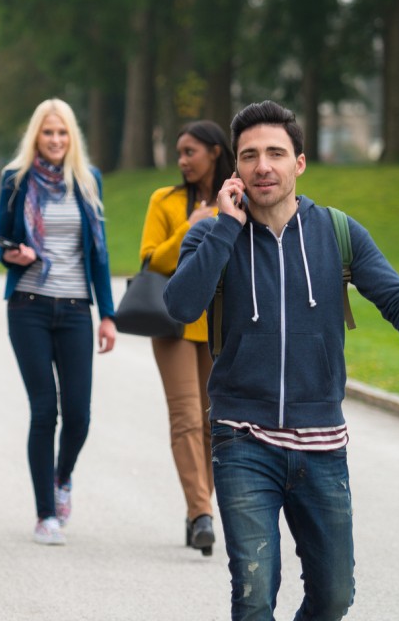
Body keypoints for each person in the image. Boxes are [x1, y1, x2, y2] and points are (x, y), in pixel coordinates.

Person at [165, 101, 399, 620]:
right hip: (242, 439)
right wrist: (226, 227)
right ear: (236, 169)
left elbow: (394, 295)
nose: (263, 166)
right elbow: (180, 305)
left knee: (334, 595)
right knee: (253, 596)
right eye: (250, 156)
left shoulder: (337, 233)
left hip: (322, 445)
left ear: (299, 162)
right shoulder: (210, 234)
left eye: (276, 153)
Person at [0, 98, 116, 546]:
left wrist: (108, 317)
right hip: (29, 305)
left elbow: (99, 255)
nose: (56, 140)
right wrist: (13, 253)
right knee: (45, 409)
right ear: (36, 137)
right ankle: (46, 513)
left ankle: (63, 479)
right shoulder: (16, 179)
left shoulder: (86, 181)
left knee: (79, 414)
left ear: (72, 137)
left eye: (63, 133)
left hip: (76, 310)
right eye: (48, 133)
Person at [137, 119, 235, 555]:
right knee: (186, 417)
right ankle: (201, 513)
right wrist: (192, 224)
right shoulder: (164, 200)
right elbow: (151, 261)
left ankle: (200, 508)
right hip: (173, 323)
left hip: (220, 324)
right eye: (179, 153)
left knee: (215, 422)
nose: (182, 161)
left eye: (190, 151)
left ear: (215, 151)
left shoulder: (237, 200)